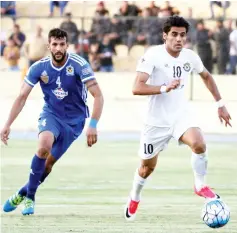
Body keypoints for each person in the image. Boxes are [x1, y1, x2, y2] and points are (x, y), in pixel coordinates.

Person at [124, 15, 232, 221]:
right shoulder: (153, 55)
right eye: (174, 34)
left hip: (180, 116)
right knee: (147, 168)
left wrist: (220, 104)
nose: (178, 39)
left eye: (182, 35)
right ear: (165, 36)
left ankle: (200, 185)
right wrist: (164, 88)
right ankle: (135, 195)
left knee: (199, 144)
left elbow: (207, 76)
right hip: (155, 121)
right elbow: (136, 88)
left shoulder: (190, 57)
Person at [1, 28, 104, 215]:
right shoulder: (38, 67)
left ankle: (22, 192)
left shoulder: (80, 64)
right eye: (54, 44)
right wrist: (7, 124)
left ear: (67, 45)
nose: (58, 48)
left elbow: (98, 96)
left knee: (47, 165)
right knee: (43, 146)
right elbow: (22, 96)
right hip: (51, 115)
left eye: (62, 44)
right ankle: (30, 198)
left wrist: (93, 124)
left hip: (75, 122)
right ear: (48, 46)